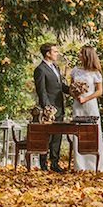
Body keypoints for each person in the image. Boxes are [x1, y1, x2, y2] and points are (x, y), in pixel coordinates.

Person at [70, 45, 103, 176]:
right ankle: (80, 165)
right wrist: (76, 95)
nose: (79, 55)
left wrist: (86, 98)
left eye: (81, 53)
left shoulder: (95, 73)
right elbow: (71, 87)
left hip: (90, 105)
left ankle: (95, 164)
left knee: (91, 132)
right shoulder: (75, 70)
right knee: (78, 132)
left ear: (87, 56)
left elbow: (99, 91)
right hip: (78, 105)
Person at [33, 42, 70, 172]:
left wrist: (73, 91)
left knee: (57, 137)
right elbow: (41, 91)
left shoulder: (56, 67)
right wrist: (48, 109)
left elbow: (61, 87)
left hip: (60, 107)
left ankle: (55, 164)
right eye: (55, 51)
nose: (57, 53)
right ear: (48, 53)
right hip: (49, 110)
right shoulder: (40, 69)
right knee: (46, 138)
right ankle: (43, 165)